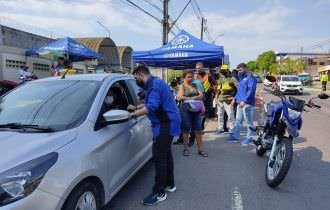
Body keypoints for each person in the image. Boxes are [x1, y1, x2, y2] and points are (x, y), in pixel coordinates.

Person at [127, 65, 181, 206]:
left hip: (165, 123)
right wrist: (137, 107)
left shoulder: (154, 85)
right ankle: (170, 184)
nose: (136, 81)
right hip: (167, 121)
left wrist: (133, 114)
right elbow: (149, 102)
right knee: (166, 154)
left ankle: (159, 192)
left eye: (135, 78)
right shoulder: (154, 83)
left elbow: (151, 107)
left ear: (139, 75)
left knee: (159, 157)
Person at [177, 70, 208, 157]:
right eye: (188, 77)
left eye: (192, 77)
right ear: (184, 77)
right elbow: (180, 97)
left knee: (198, 129)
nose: (191, 78)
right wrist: (194, 97)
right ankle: (186, 149)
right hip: (186, 110)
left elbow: (201, 95)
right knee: (186, 129)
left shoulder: (195, 85)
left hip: (196, 110)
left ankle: (201, 149)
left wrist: (192, 97)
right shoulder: (182, 86)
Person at [228, 63, 257, 145]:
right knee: (238, 120)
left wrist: (244, 101)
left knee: (249, 122)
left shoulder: (250, 78)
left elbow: (251, 91)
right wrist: (235, 99)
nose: (239, 72)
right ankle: (236, 136)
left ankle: (249, 138)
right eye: (238, 70)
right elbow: (239, 91)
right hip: (240, 103)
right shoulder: (241, 78)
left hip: (247, 103)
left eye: (240, 70)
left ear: (245, 68)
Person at [215, 65, 238, 134]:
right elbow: (218, 90)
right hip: (220, 100)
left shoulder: (232, 78)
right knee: (220, 115)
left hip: (228, 100)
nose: (223, 71)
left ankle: (232, 129)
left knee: (230, 115)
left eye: (224, 70)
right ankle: (220, 129)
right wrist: (216, 98)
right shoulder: (220, 79)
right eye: (222, 70)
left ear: (228, 70)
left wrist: (234, 98)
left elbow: (239, 89)